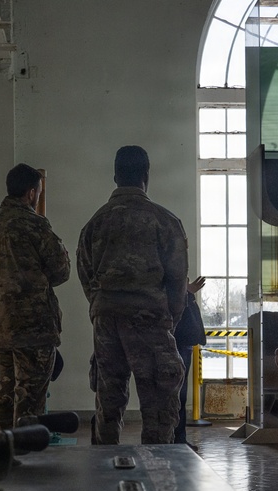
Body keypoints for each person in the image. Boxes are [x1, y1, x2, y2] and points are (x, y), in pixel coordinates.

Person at [77, 145, 188, 444]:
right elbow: (178, 283)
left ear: (115, 176)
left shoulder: (94, 224)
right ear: (146, 176)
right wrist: (168, 322)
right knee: (158, 405)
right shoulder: (165, 221)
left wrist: (105, 307)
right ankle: (156, 473)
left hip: (106, 321)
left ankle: (105, 470)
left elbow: (86, 276)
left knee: (107, 402)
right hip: (149, 319)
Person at [0, 163, 71, 431]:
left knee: (5, 393)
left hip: (0, 326)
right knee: (30, 398)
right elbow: (61, 270)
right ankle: (27, 461)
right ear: (31, 193)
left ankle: (3, 452)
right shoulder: (34, 225)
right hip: (32, 327)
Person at [174, 276, 207, 450]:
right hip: (177, 346)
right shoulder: (176, 295)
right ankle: (175, 440)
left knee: (180, 396)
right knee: (177, 396)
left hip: (183, 346)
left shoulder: (185, 295)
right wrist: (186, 292)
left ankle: (179, 439)